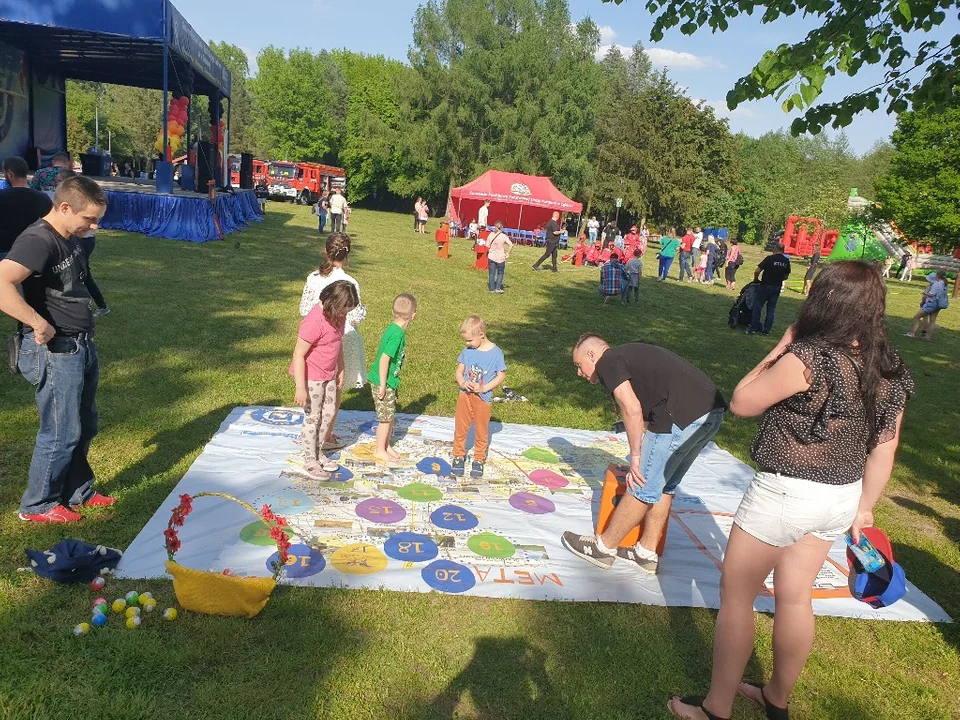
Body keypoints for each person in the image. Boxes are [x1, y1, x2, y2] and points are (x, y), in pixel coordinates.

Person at [667, 261, 913, 720]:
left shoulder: (810, 357)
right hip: (839, 498)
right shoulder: (889, 367)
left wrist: (781, 347)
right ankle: (776, 699)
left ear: (824, 300)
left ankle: (716, 709)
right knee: (795, 598)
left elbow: (741, 400)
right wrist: (864, 509)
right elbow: (885, 447)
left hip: (784, 494)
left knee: (737, 596)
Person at [0, 175, 115, 523]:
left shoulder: (70, 236)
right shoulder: (38, 239)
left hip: (80, 344)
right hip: (54, 349)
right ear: (64, 207)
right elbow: (3, 281)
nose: (93, 226)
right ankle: (38, 505)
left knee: (84, 423)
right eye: (89, 219)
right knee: (60, 429)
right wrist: (37, 322)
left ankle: (76, 491)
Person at [562, 335, 725, 573]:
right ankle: (646, 553)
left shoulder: (608, 362)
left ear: (591, 355)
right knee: (665, 485)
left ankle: (603, 548)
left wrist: (636, 456)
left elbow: (632, 409)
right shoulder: (627, 357)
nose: (580, 373)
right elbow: (646, 414)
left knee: (642, 484)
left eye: (578, 365)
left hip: (679, 416)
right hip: (712, 414)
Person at [300, 233, 367, 448]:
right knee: (334, 389)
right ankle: (325, 435)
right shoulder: (349, 282)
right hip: (341, 337)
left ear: (325, 251)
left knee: (319, 387)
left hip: (316, 338)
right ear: (347, 255)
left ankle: (317, 433)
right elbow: (356, 315)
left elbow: (304, 309)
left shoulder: (313, 277)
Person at [291, 280, 359, 479]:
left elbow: (337, 342)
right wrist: (300, 387)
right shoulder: (314, 321)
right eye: (344, 310)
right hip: (312, 377)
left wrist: (341, 368)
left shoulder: (338, 316)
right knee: (313, 417)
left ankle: (318, 451)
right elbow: (298, 354)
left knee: (328, 414)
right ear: (332, 304)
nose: (345, 315)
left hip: (329, 373)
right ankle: (309, 459)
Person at [452, 316, 507, 479]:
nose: (467, 344)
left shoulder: (496, 353)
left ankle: (479, 458)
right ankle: (458, 455)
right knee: (461, 427)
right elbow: (459, 371)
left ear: (481, 335)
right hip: (465, 395)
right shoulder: (467, 352)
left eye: (469, 340)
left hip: (483, 398)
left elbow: (500, 376)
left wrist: (484, 388)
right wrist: (462, 382)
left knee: (482, 430)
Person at [367, 294, 417, 462]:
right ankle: (379, 450)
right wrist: (382, 384)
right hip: (383, 381)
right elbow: (384, 359)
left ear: (393, 312)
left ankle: (386, 445)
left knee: (390, 416)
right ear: (413, 315)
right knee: (386, 419)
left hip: (389, 381)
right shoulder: (397, 335)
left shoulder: (394, 328)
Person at [0, 157, 53, 262]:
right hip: (30, 250)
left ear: (10, 174)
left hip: (4, 251)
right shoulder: (42, 198)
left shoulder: (2, 197)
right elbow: (51, 225)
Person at [747, 243, 791, 335]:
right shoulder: (786, 261)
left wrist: (756, 279)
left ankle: (753, 328)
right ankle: (766, 330)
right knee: (771, 309)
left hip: (765, 286)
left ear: (775, 249)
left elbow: (757, 271)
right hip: (776, 287)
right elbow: (786, 276)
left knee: (758, 307)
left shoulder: (769, 259)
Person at [905, 270, 948, 340]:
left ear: (937, 276)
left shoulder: (936, 284)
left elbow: (932, 294)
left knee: (916, 317)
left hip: (931, 303)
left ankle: (912, 333)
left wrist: (924, 293)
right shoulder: (945, 284)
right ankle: (928, 336)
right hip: (938, 304)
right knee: (932, 320)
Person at [487, 221, 513, 294]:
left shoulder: (491, 234)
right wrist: (508, 253)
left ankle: (491, 289)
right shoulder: (503, 236)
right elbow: (511, 245)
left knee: (491, 273)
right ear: (501, 228)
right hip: (500, 257)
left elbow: (487, 245)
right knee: (500, 273)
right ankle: (498, 288)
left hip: (491, 256)